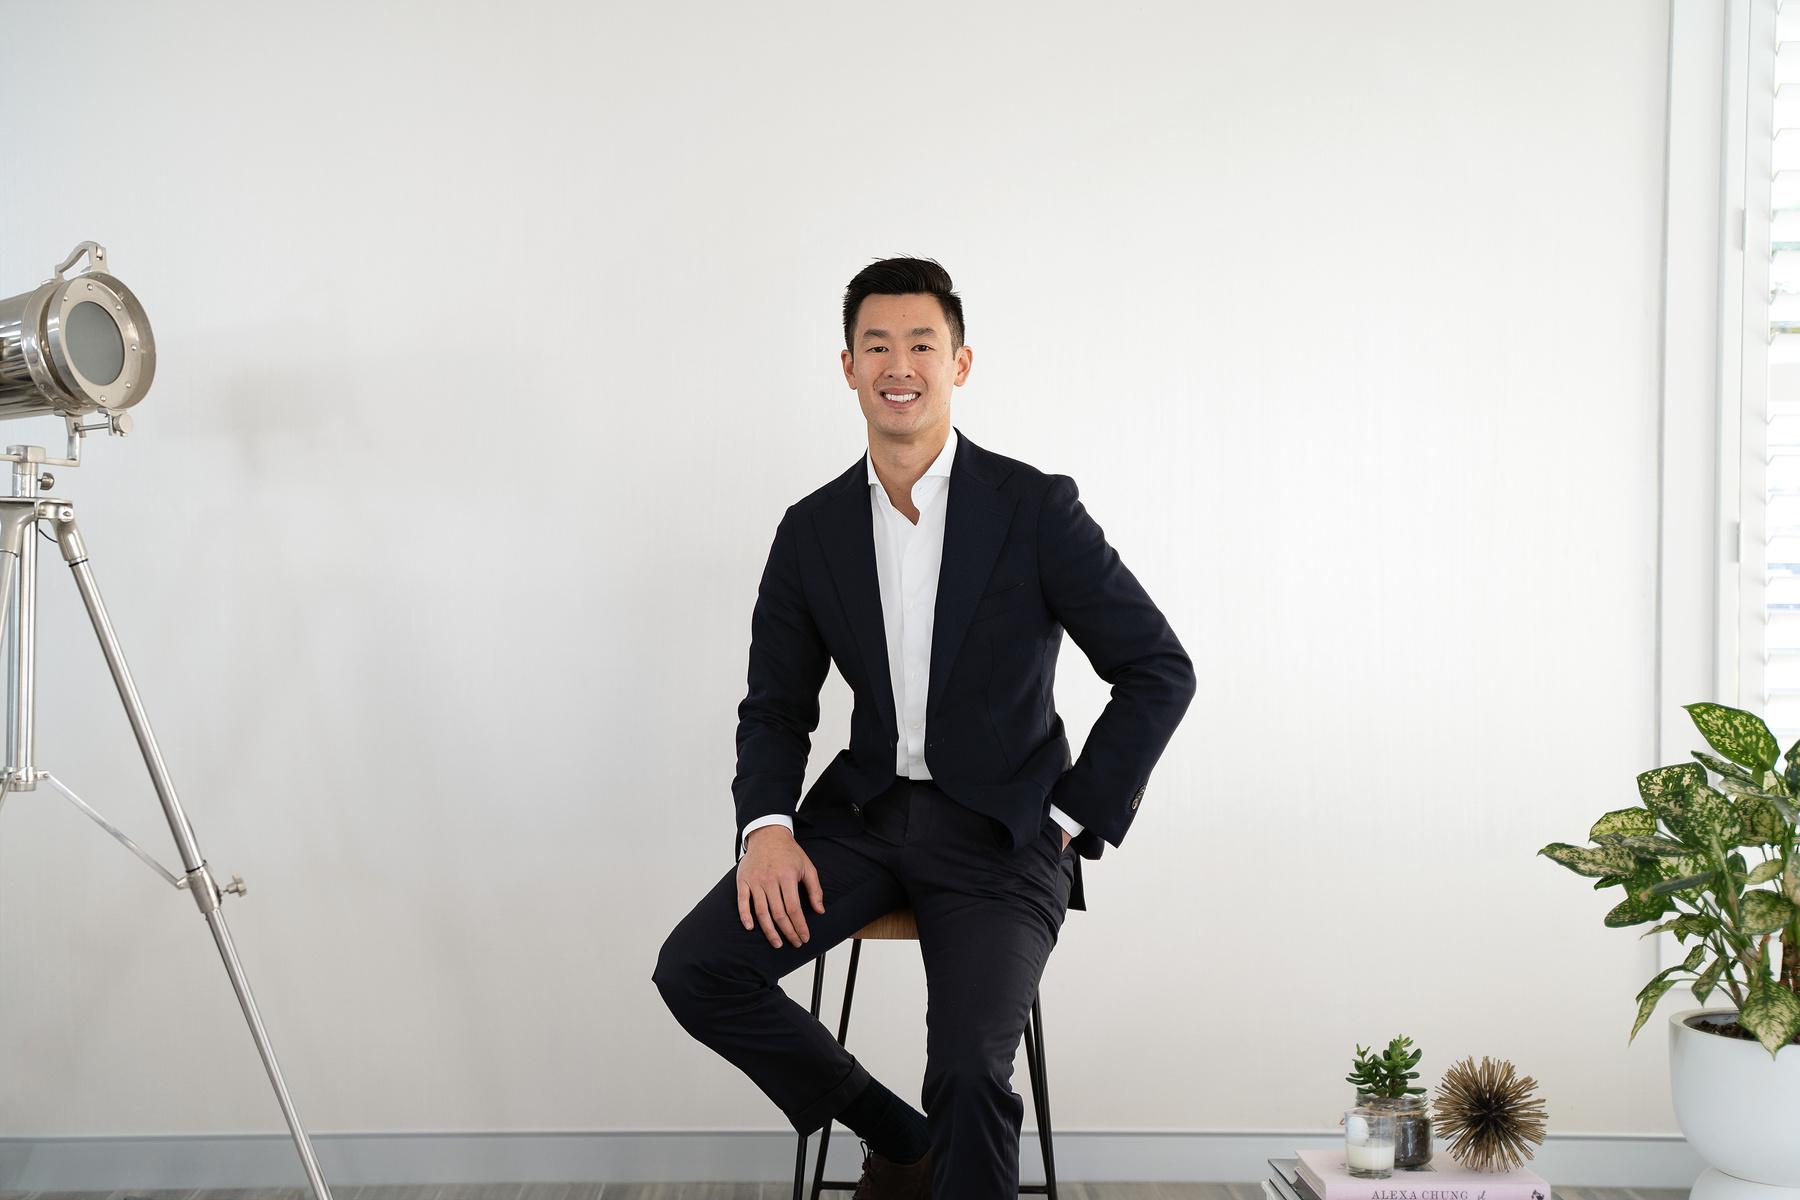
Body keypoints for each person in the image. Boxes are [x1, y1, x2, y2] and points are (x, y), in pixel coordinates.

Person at [653, 257, 1195, 1198]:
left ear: (960, 363)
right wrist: (766, 828)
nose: (898, 366)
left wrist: (1070, 820)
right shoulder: (811, 530)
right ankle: (900, 1136)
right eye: (876, 346)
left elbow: (1157, 668)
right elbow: (776, 707)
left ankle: (939, 1144)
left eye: (921, 345)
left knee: (971, 1072)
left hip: (1005, 831)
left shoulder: (1035, 509)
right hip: (861, 822)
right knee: (696, 969)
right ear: (849, 368)